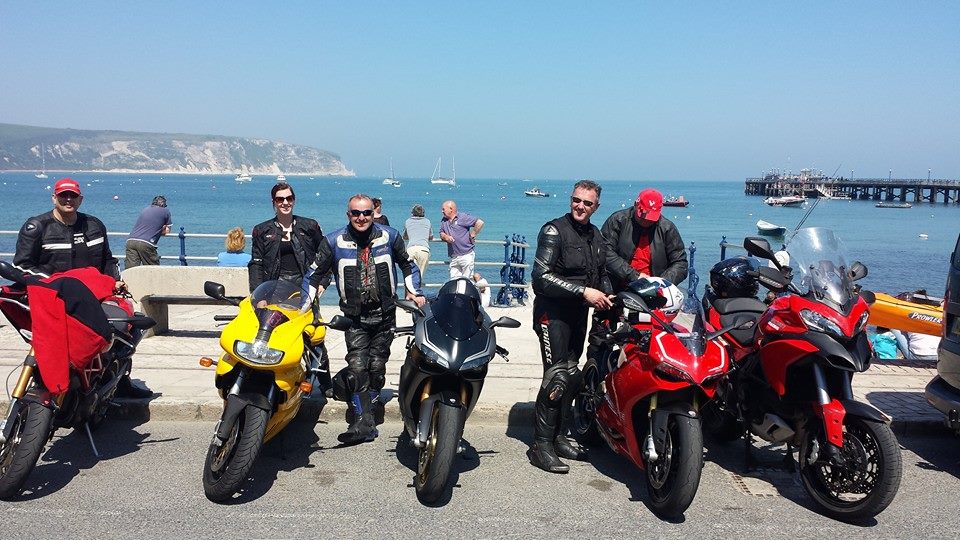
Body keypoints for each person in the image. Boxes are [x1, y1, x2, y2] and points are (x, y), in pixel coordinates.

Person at [305, 194, 426, 444]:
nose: (361, 218)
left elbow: (408, 265)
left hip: (385, 314)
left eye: (366, 213)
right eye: (356, 213)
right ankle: (362, 421)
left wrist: (414, 291)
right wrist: (303, 304)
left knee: (377, 366)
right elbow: (313, 275)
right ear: (348, 214)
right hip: (354, 317)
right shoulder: (333, 241)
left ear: (374, 213)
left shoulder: (390, 236)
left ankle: (371, 407)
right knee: (358, 365)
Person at [14, 177, 151, 399]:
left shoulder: (94, 226)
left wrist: (114, 283)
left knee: (123, 327)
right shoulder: (37, 227)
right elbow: (22, 266)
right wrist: (55, 284)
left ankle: (120, 381)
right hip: (55, 298)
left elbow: (107, 260)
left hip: (93, 295)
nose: (68, 199)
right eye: (63, 195)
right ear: (54, 198)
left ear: (80, 199)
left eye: (73, 196)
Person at [529, 179, 613, 473]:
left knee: (573, 376)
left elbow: (600, 273)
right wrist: (583, 292)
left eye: (587, 203)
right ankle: (541, 445)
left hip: (578, 315)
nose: (580, 206)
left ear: (596, 207)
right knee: (556, 378)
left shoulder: (596, 235)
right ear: (571, 199)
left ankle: (560, 436)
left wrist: (608, 296)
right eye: (577, 200)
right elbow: (540, 277)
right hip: (551, 315)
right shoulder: (554, 231)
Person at [587, 187, 688, 365]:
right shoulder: (618, 220)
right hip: (615, 289)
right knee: (600, 339)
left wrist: (659, 283)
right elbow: (605, 253)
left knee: (648, 344)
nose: (646, 221)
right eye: (642, 216)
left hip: (650, 296)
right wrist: (634, 276)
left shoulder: (667, 228)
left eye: (651, 218)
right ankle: (594, 374)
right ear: (636, 205)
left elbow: (680, 263)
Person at [248, 182, 326, 292]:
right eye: (280, 199)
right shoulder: (262, 230)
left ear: (294, 200)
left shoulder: (310, 226)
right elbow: (256, 264)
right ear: (274, 202)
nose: (285, 203)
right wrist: (258, 293)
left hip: (306, 289)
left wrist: (322, 283)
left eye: (289, 198)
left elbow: (325, 255)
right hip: (273, 290)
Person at [439, 200, 484, 279]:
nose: (442, 211)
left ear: (451, 209)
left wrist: (473, 234)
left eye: (443, 209)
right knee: (454, 281)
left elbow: (479, 222)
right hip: (454, 256)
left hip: (466, 254)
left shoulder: (462, 217)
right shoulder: (444, 220)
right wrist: (446, 237)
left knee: (466, 281)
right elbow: (441, 233)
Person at [125, 195, 172, 268]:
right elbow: (167, 231)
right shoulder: (165, 211)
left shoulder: (145, 209)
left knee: (131, 269)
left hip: (131, 240)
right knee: (153, 268)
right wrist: (159, 229)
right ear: (163, 204)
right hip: (146, 243)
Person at [403, 204, 433, 279]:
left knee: (409, 276)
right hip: (423, 249)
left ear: (412, 213)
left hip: (411, 249)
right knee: (419, 276)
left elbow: (404, 236)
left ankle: (409, 286)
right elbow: (431, 237)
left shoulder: (408, 221)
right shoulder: (427, 221)